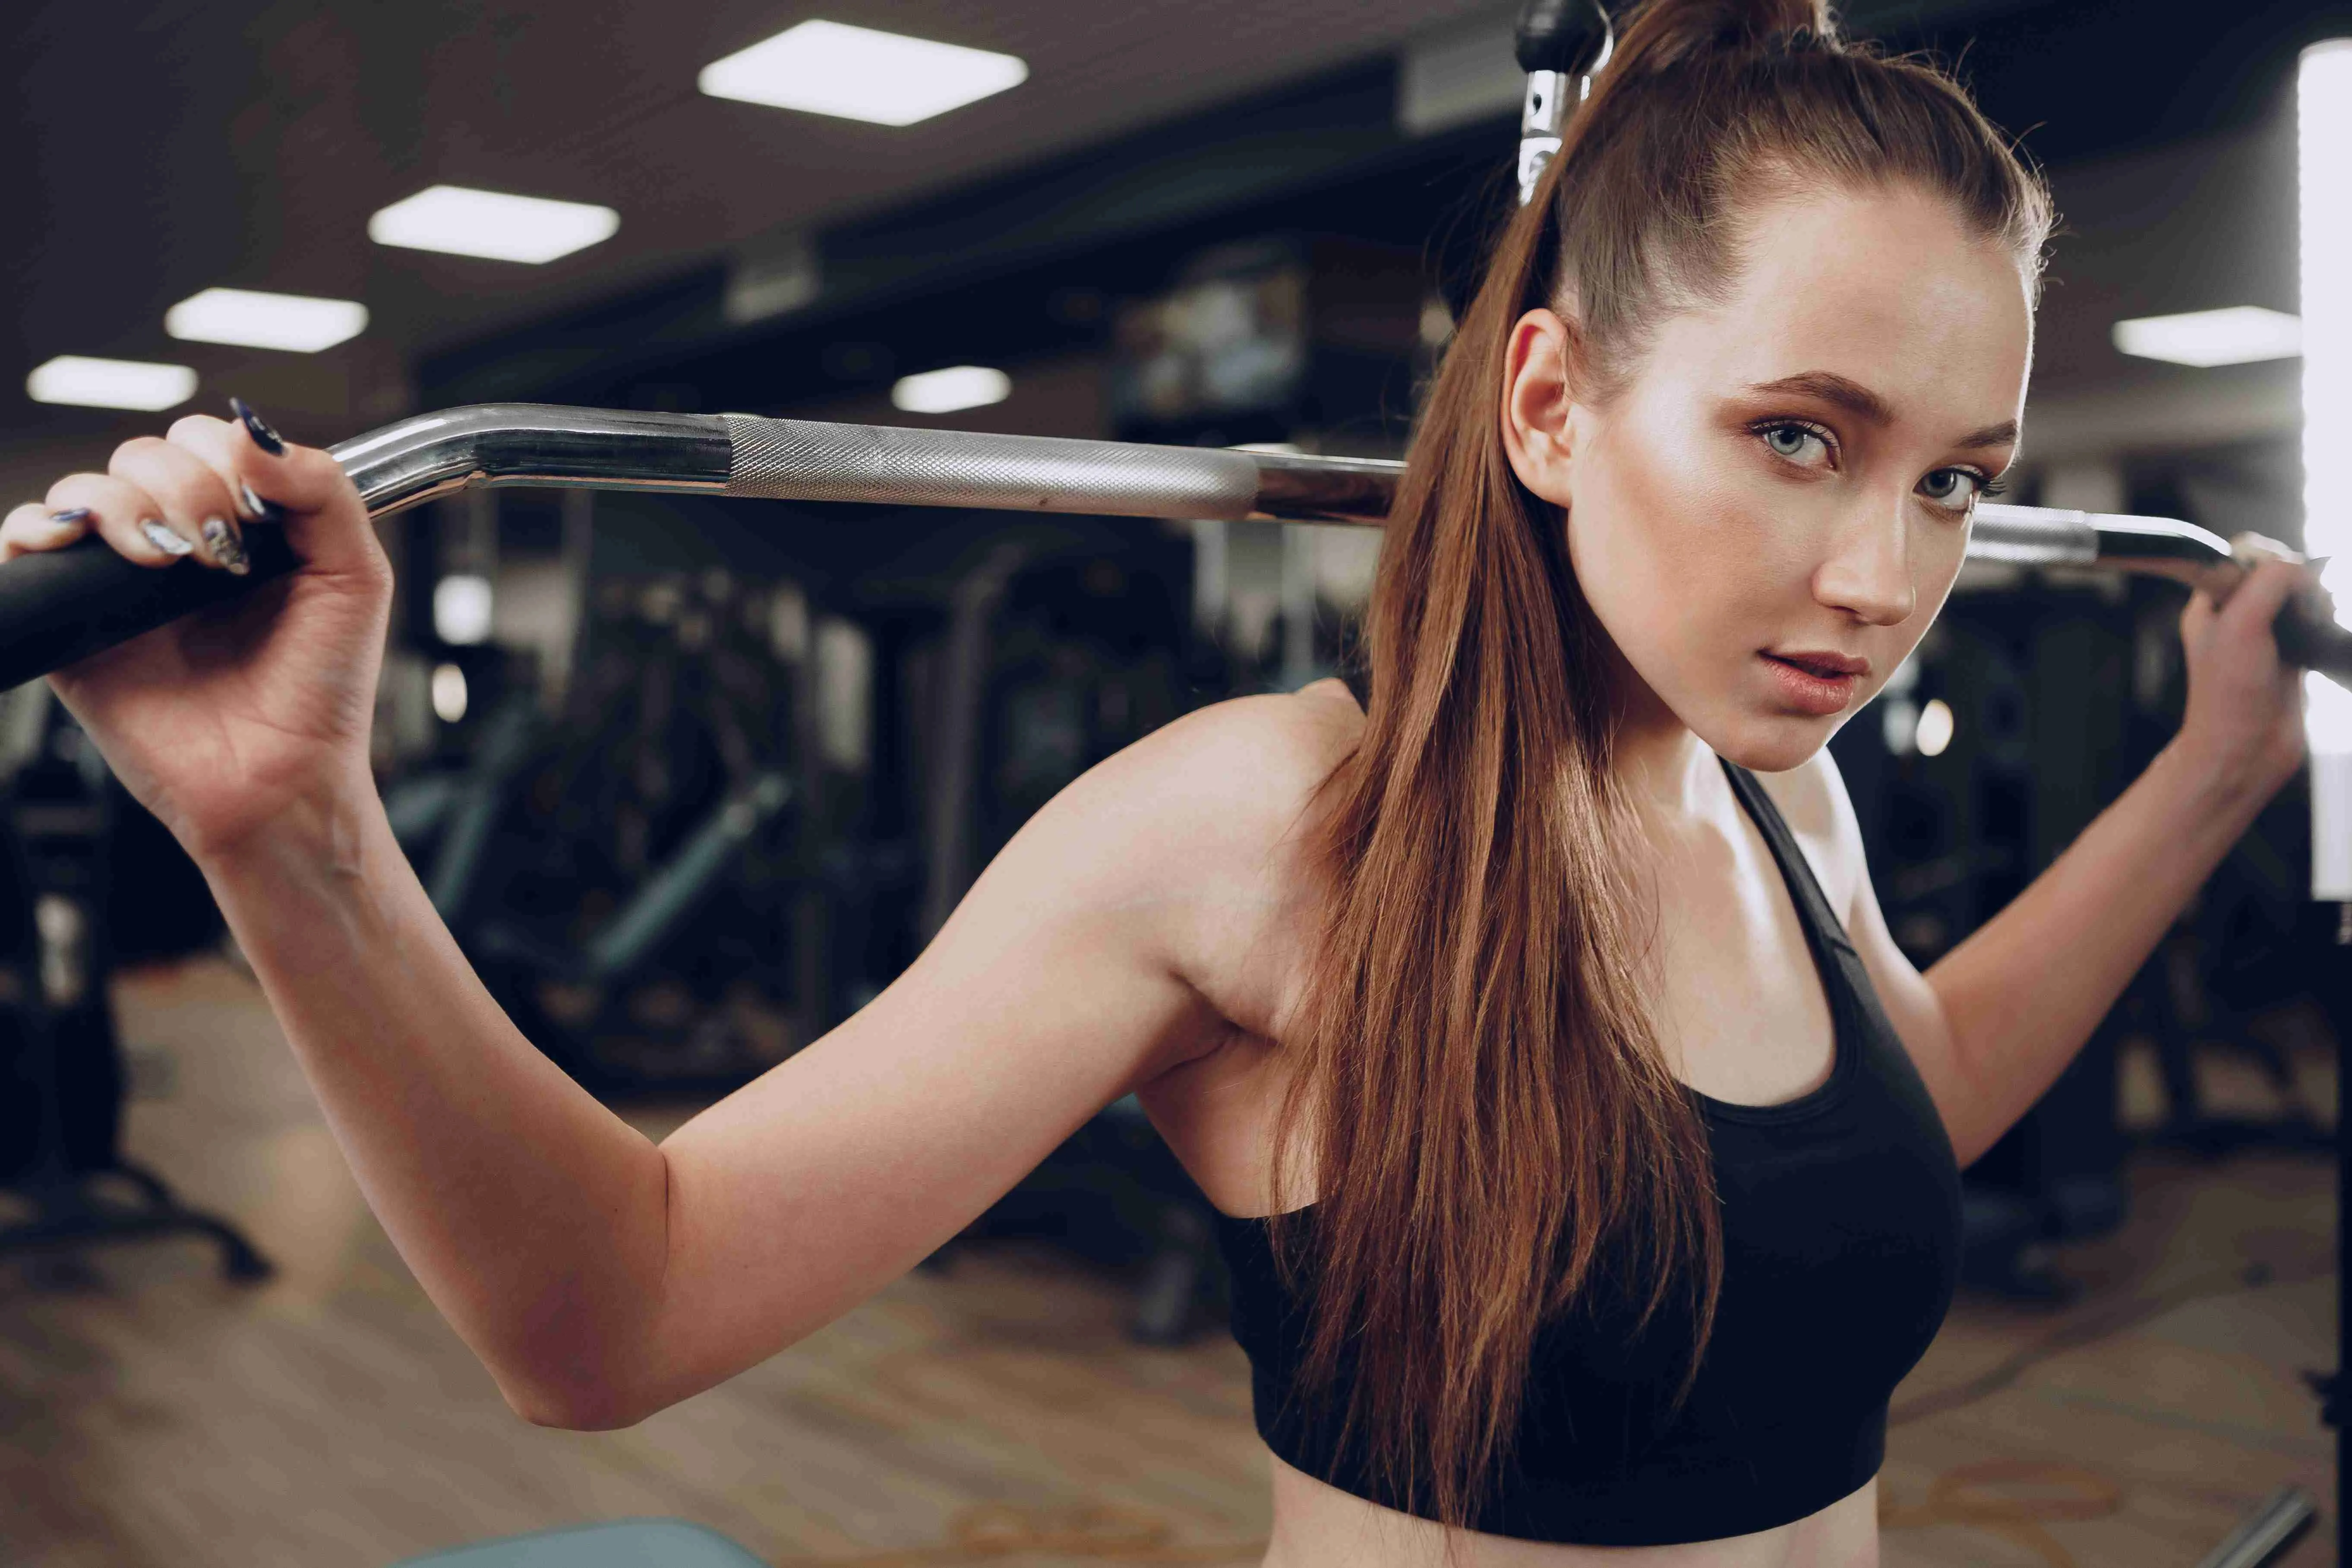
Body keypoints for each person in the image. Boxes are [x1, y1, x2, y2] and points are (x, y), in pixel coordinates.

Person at [0, 0, 2317, 1560]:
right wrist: (283, 832)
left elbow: (1910, 1113)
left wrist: (2215, 773)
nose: (1879, 568)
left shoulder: (1781, 803)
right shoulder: (1260, 833)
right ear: (1546, 406)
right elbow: (613, 1309)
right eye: (1794, 435)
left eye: (1953, 480)